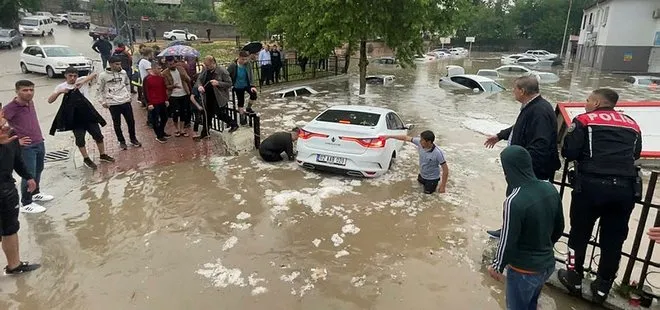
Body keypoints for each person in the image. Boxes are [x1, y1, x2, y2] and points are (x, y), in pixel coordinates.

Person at [557, 88, 642, 305]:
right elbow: (636, 154)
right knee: (614, 240)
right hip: (624, 190)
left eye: (587, 100)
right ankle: (603, 286)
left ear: (596, 102)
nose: (585, 103)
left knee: (579, 234)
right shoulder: (631, 123)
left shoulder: (584, 120)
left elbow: (570, 152)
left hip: (590, 187)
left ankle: (574, 276)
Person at [487, 145, 564, 310]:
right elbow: (559, 227)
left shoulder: (513, 201)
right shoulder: (549, 188)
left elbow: (507, 240)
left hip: (524, 270)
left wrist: (497, 266)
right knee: (531, 304)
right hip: (547, 265)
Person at [484, 75, 561, 239]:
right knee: (512, 199)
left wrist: (522, 165)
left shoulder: (540, 110)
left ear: (523, 91)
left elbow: (541, 144)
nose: (513, 92)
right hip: (522, 170)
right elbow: (519, 126)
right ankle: (508, 230)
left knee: (523, 203)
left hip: (531, 171)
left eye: (515, 89)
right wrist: (500, 136)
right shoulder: (532, 106)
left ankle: (517, 236)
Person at [48, 67, 114, 170]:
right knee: (80, 139)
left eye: (75, 76)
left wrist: (82, 81)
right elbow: (50, 100)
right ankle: (86, 158)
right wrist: (60, 92)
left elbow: (95, 73)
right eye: (70, 76)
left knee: (98, 136)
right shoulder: (61, 86)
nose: (73, 78)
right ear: (65, 75)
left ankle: (102, 154)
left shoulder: (82, 81)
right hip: (75, 118)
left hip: (89, 114)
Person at [0, 108, 41, 274]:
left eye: (1, 115)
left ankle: (14, 265)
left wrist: (29, 177)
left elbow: (18, 160)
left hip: (6, 189)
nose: (2, 119)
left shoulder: (10, 134)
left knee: (10, 229)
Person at [3, 81, 53, 214]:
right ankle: (26, 203)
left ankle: (35, 192)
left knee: (39, 169)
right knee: (28, 173)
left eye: (31, 90)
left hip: (38, 141)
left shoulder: (30, 102)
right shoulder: (10, 108)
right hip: (26, 147)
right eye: (25, 90)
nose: (29, 92)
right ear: (17, 91)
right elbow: (2, 125)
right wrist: (16, 141)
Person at [97, 56, 142, 150]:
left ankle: (133, 139)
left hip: (125, 101)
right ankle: (121, 141)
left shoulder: (123, 73)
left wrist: (129, 95)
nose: (119, 66)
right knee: (117, 123)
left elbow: (127, 83)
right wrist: (102, 101)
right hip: (113, 103)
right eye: (116, 64)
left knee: (131, 121)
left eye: (120, 64)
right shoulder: (103, 75)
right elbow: (99, 90)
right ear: (111, 64)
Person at [195, 55, 238, 140]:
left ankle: (233, 124)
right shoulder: (205, 70)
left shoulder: (222, 71)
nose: (207, 67)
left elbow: (229, 83)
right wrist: (199, 86)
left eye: (208, 66)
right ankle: (205, 132)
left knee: (220, 114)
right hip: (207, 96)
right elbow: (199, 79)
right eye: (206, 65)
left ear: (213, 63)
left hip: (218, 97)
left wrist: (218, 83)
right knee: (207, 115)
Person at [162, 56, 192, 137]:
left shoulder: (181, 69)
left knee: (183, 111)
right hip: (173, 95)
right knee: (175, 112)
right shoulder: (164, 73)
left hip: (184, 93)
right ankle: (176, 128)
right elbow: (166, 86)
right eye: (170, 64)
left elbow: (188, 79)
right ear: (167, 65)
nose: (172, 66)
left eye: (173, 64)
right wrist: (173, 86)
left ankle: (182, 129)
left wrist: (184, 75)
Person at [227, 50, 258, 126]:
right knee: (241, 102)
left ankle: (248, 108)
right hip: (237, 86)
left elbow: (251, 75)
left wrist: (252, 86)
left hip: (247, 85)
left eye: (246, 59)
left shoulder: (248, 64)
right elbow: (227, 75)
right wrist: (230, 84)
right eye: (243, 59)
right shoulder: (233, 65)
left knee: (254, 94)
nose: (244, 61)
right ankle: (242, 117)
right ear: (239, 57)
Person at [143, 62, 169, 143]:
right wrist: (149, 103)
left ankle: (161, 131)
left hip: (161, 100)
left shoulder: (161, 78)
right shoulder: (147, 79)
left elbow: (163, 89)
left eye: (160, 68)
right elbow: (145, 91)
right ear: (153, 68)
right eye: (158, 68)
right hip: (153, 102)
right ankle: (159, 135)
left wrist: (166, 99)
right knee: (155, 119)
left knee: (165, 117)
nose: (160, 70)